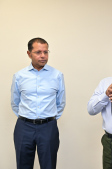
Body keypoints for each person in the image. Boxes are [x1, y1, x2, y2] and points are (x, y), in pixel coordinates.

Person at [11, 37, 66, 169]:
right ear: (29, 54)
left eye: (46, 52)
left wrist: (49, 119)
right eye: (38, 52)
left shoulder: (57, 75)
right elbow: (15, 102)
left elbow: (61, 102)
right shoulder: (19, 76)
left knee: (49, 165)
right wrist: (26, 117)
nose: (43, 56)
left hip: (48, 127)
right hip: (24, 127)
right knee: (23, 165)